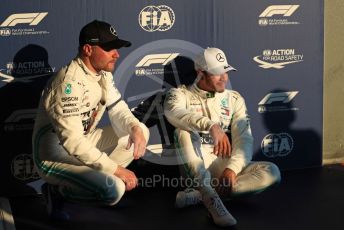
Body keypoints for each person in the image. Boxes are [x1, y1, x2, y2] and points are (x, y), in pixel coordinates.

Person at [32, 20, 149, 220]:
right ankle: (56, 193)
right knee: (113, 190)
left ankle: (97, 178)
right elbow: (73, 142)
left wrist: (134, 127)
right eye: (109, 48)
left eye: (116, 47)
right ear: (88, 49)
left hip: (82, 143)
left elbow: (117, 106)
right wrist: (116, 170)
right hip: (53, 156)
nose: (116, 54)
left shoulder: (101, 72)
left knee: (140, 131)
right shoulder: (67, 84)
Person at [164, 47, 281, 227]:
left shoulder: (234, 99)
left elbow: (244, 139)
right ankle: (209, 198)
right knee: (182, 131)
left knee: (272, 172)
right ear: (200, 73)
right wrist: (211, 126)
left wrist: (232, 169)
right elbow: (173, 112)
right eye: (217, 73)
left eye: (226, 71)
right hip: (196, 171)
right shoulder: (180, 95)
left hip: (224, 170)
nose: (224, 77)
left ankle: (199, 197)